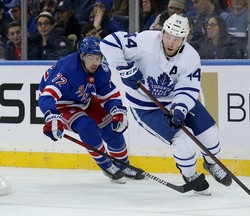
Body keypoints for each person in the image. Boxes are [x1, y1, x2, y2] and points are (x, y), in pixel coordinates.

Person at [100, 14, 232, 194]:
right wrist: (124, 69)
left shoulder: (191, 57)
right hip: (146, 107)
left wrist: (180, 108)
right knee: (183, 140)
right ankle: (190, 175)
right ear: (162, 32)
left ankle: (211, 164)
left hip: (174, 101)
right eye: (168, 36)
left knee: (211, 133)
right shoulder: (145, 41)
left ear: (184, 39)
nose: (170, 42)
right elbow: (108, 42)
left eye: (176, 39)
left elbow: (188, 87)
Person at [38, 36, 144, 183]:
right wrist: (52, 117)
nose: (96, 62)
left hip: (85, 99)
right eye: (91, 57)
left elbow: (108, 94)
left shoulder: (102, 69)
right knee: (87, 126)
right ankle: (106, 165)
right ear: (82, 55)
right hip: (63, 105)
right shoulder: (68, 70)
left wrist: (117, 110)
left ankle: (123, 164)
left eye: (99, 58)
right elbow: (46, 96)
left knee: (112, 127)